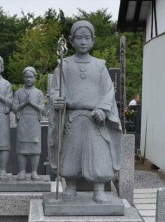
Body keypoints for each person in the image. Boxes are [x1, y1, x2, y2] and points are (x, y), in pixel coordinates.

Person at [48, 20, 122, 204]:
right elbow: (55, 88)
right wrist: (56, 99)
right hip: (71, 117)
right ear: (71, 41)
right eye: (78, 38)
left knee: (98, 153)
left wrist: (103, 109)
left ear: (93, 40)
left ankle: (98, 189)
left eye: (86, 38)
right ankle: (70, 185)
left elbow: (108, 91)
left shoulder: (99, 66)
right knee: (70, 153)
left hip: (94, 118)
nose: (82, 42)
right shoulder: (64, 64)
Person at [13, 67, 45, 181]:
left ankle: (34, 172)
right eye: (26, 77)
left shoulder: (39, 93)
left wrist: (30, 102)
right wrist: (24, 103)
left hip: (34, 122)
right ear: (23, 78)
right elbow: (15, 108)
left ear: (35, 78)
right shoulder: (18, 92)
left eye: (31, 77)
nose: (29, 79)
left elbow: (42, 109)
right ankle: (22, 171)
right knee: (22, 148)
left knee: (35, 149)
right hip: (23, 122)